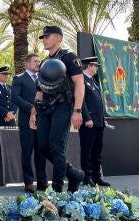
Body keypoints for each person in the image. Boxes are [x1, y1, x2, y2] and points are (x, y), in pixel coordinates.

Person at [29, 25, 85, 193]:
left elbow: (79, 83)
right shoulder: (45, 62)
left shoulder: (70, 58)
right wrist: (33, 112)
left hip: (63, 106)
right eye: (43, 37)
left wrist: (77, 110)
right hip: (45, 108)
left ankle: (57, 190)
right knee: (42, 146)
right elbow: (39, 89)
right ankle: (74, 174)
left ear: (58, 38)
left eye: (47, 36)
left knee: (56, 146)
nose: (44, 40)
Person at [11, 54, 48, 193]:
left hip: (42, 122)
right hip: (26, 122)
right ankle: (28, 182)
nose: (38, 63)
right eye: (35, 61)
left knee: (41, 152)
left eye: (39, 61)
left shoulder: (44, 79)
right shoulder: (19, 78)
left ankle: (42, 182)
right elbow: (15, 97)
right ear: (26, 64)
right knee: (27, 152)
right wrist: (30, 107)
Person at [79, 57, 111, 187]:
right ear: (88, 66)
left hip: (98, 122)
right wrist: (87, 118)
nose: (97, 68)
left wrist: (103, 119)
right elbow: (81, 101)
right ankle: (87, 177)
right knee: (87, 151)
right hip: (89, 122)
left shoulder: (92, 81)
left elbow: (98, 103)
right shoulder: (81, 80)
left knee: (97, 151)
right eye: (95, 66)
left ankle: (97, 177)